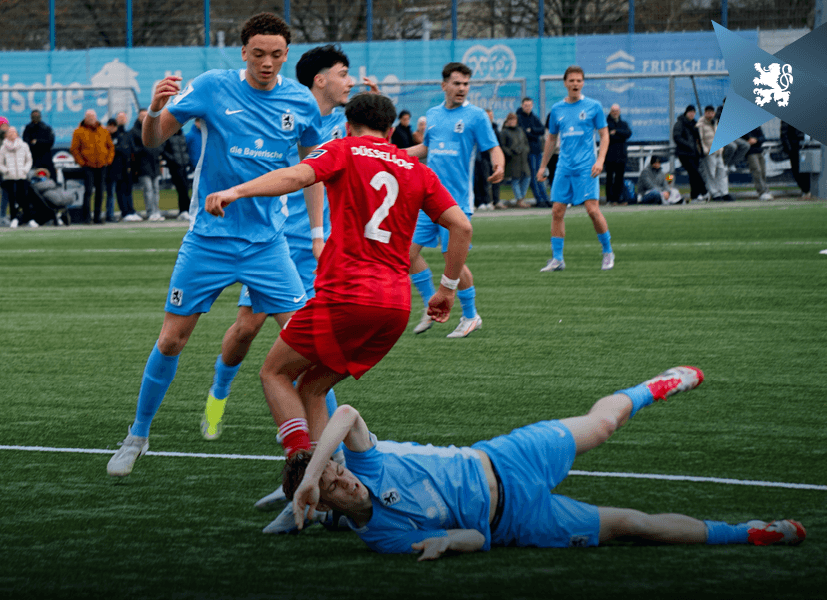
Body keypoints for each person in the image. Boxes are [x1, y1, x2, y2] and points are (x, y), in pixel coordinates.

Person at [207, 92, 470, 532]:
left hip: (346, 295)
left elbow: (297, 175)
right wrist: (445, 290)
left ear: (349, 126)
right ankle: (335, 499)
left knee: (273, 373)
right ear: (391, 131)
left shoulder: (344, 149)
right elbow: (461, 225)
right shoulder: (416, 169)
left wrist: (238, 190)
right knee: (312, 388)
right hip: (394, 306)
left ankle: (302, 483)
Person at [105, 12, 326, 478]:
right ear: (243, 52)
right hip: (209, 240)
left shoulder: (301, 102)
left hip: (269, 245)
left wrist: (315, 231)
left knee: (310, 344)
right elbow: (153, 139)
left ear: (287, 56)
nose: (267, 63)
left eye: (277, 55)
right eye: (259, 54)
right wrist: (151, 109)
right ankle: (138, 435)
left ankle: (332, 450)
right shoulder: (211, 86)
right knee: (171, 339)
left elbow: (313, 173)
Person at [284, 367, 807, 558]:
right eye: (335, 485)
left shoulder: (367, 464)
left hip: (505, 461)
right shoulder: (379, 537)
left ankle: (655, 387)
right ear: (326, 506)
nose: (344, 479)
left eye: (336, 470)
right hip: (515, 523)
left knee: (601, 426)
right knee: (633, 526)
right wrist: (448, 541)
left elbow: (347, 410)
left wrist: (312, 473)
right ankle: (749, 533)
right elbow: (478, 541)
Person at [199, 43, 360, 445]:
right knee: (246, 329)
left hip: (319, 252)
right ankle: (218, 396)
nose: (350, 81)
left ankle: (321, 453)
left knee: (311, 348)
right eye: (343, 73)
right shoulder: (282, 117)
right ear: (319, 80)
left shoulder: (344, 125)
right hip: (279, 244)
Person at [405, 62, 505, 339]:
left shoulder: (475, 117)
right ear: (444, 85)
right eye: (457, 83)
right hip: (427, 200)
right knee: (407, 253)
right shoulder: (433, 114)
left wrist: (499, 164)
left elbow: (493, 147)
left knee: (454, 262)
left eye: (466, 84)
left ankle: (471, 316)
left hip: (455, 203)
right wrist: (398, 154)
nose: (462, 88)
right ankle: (430, 304)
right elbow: (428, 147)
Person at [537, 66, 613, 272]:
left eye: (579, 80)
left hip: (586, 167)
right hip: (564, 166)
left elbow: (605, 135)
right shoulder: (557, 110)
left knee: (592, 211)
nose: (575, 84)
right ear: (565, 83)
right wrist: (543, 166)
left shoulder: (593, 106)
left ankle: (607, 251)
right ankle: (558, 259)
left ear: (583, 83)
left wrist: (600, 160)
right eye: (571, 80)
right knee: (557, 211)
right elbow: (551, 139)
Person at [70, 109, 114, 224]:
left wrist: (108, 161)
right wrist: (81, 162)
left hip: (101, 165)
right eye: (89, 117)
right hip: (88, 166)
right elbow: (74, 149)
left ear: (96, 117)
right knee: (88, 191)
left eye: (93, 116)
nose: (91, 119)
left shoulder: (103, 131)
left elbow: (110, 147)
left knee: (100, 192)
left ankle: (98, 217)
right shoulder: (78, 132)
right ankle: (87, 217)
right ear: (85, 118)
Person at [0, 126, 36, 228]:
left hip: (22, 176)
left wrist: (25, 170)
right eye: (9, 132)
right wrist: (6, 171)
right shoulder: (3, 148)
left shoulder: (24, 145)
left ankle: (29, 219)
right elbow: (0, 163)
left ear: (17, 134)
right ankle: (14, 219)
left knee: (25, 198)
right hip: (10, 178)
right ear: (6, 135)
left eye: (14, 132)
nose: (12, 134)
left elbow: (29, 160)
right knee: (12, 199)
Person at [131, 108, 164, 221]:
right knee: (148, 190)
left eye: (146, 116)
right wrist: (146, 149)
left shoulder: (153, 128)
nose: (144, 118)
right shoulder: (134, 131)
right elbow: (135, 149)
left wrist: (157, 151)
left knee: (156, 189)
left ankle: (156, 211)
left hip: (154, 164)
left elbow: (160, 143)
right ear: (139, 117)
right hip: (142, 165)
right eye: (142, 116)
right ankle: (150, 212)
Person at [517, 97, 550, 208]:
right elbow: (525, 133)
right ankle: (539, 199)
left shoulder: (533, 117)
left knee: (540, 174)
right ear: (522, 106)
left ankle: (545, 198)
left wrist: (532, 130)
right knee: (533, 175)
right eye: (526, 105)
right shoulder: (519, 117)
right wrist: (533, 133)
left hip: (537, 150)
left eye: (529, 105)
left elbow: (541, 129)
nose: (528, 107)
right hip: (529, 151)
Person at [696, 106, 733, 203]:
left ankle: (724, 192)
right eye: (708, 112)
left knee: (721, 172)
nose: (710, 114)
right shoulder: (700, 124)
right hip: (709, 153)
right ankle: (715, 193)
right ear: (705, 113)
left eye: (712, 112)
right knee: (711, 174)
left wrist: (721, 147)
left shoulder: (715, 122)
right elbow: (700, 139)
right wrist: (705, 150)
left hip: (718, 152)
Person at [672, 105, 707, 203]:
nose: (692, 114)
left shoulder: (695, 124)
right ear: (686, 112)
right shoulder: (680, 123)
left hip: (694, 154)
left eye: (693, 112)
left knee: (693, 175)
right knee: (695, 172)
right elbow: (677, 137)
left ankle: (695, 196)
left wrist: (701, 150)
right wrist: (689, 145)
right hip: (684, 153)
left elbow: (699, 138)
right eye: (690, 112)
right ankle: (704, 191)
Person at [107, 112, 138, 222]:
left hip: (127, 166)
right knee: (119, 190)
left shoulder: (127, 133)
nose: (122, 119)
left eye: (124, 117)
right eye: (120, 118)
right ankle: (124, 212)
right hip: (116, 167)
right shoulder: (112, 135)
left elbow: (131, 149)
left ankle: (131, 210)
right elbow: (115, 149)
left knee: (128, 190)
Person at [499, 112, 531, 209]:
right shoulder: (504, 132)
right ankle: (519, 199)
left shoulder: (520, 130)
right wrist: (510, 152)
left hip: (523, 159)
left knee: (527, 177)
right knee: (515, 179)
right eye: (510, 120)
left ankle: (521, 197)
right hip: (513, 159)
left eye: (514, 120)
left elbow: (526, 143)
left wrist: (526, 150)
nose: (512, 122)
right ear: (507, 121)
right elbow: (502, 146)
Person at [161, 127, 193, 221]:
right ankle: (184, 210)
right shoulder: (167, 137)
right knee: (182, 188)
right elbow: (163, 151)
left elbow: (186, 150)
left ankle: (185, 210)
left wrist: (187, 161)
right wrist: (173, 160)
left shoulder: (182, 135)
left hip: (184, 166)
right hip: (174, 167)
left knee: (185, 188)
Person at [604, 104, 631, 206]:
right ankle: (610, 199)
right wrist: (620, 135)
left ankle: (618, 198)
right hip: (610, 156)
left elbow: (628, 133)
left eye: (617, 111)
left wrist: (616, 132)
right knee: (610, 178)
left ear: (619, 112)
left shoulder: (623, 123)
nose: (615, 113)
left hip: (621, 156)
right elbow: (608, 136)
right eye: (613, 111)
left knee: (619, 178)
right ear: (610, 112)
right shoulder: (606, 123)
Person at [781, 121, 811, 200]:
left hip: (810, 146)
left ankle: (808, 191)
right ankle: (805, 191)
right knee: (797, 170)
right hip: (795, 148)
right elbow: (784, 133)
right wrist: (790, 150)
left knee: (810, 170)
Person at [743, 127, 773, 201]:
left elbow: (763, 138)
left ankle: (765, 191)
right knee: (757, 170)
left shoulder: (757, 126)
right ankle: (762, 192)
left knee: (763, 172)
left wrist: (756, 140)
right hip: (750, 152)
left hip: (760, 151)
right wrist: (750, 141)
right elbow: (746, 139)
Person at [23, 110, 55, 174]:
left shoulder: (46, 128)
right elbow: (26, 142)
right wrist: (36, 144)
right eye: (34, 115)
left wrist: (37, 142)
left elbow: (50, 142)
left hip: (46, 157)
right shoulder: (28, 128)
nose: (35, 117)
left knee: (50, 175)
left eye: (37, 115)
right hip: (33, 157)